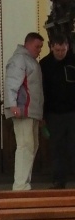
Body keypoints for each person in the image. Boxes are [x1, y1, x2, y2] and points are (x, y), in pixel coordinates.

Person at [4, 32, 44, 190]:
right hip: (22, 110)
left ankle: (24, 183)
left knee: (31, 146)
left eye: (40, 47)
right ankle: (20, 186)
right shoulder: (19, 59)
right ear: (27, 44)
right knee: (25, 146)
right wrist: (13, 105)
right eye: (37, 46)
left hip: (31, 112)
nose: (39, 50)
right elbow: (11, 83)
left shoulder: (30, 61)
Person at [40, 33, 75, 189]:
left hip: (73, 112)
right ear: (51, 47)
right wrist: (42, 115)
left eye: (63, 50)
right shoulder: (44, 64)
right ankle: (58, 181)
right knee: (57, 148)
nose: (60, 53)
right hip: (53, 114)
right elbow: (41, 91)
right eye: (57, 50)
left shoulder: (73, 61)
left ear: (68, 47)